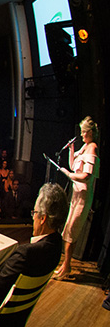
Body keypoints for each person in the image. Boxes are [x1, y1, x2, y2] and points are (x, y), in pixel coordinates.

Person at [0, 183, 67, 327]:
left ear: (43, 218)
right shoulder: (56, 246)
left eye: (35, 213)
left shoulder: (26, 253)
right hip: (15, 324)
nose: (33, 218)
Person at [56, 117, 100, 278]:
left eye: (83, 132)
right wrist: (71, 149)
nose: (81, 135)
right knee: (68, 231)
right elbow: (73, 166)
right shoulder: (85, 146)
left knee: (71, 232)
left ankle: (66, 266)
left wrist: (69, 175)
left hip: (83, 197)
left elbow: (86, 176)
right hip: (76, 195)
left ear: (89, 132)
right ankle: (66, 265)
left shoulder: (92, 148)